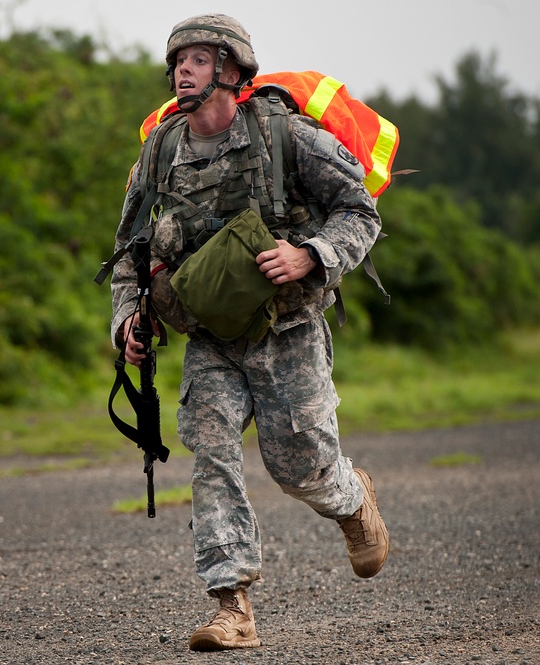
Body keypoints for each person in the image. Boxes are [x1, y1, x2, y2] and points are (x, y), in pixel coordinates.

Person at [107, 14, 390, 651]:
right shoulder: (159, 151)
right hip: (210, 336)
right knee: (210, 455)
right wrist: (128, 318)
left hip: (288, 329)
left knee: (302, 468)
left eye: (200, 59)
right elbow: (129, 248)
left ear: (232, 71)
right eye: (179, 58)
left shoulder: (288, 137)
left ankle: (351, 498)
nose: (184, 68)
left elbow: (359, 211)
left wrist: (310, 253)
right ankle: (231, 606)